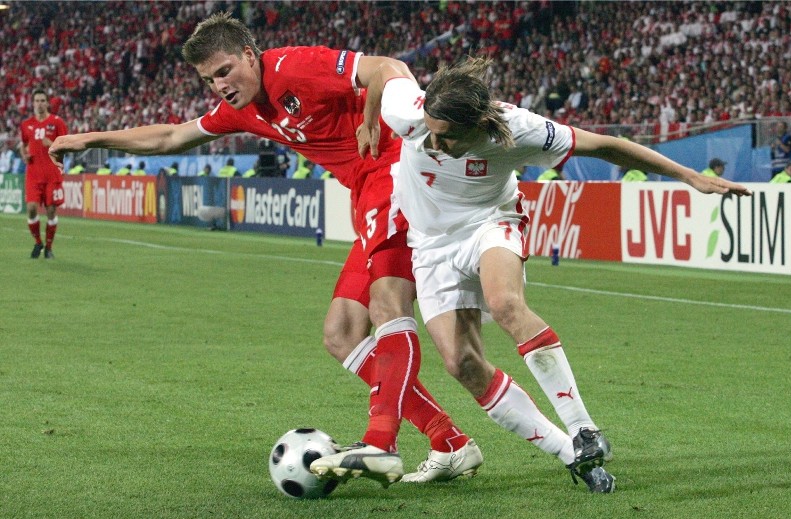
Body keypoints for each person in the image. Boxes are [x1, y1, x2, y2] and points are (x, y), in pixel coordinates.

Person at [50, 12, 481, 487]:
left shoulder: (295, 67)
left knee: (387, 305)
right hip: (366, 193)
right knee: (341, 333)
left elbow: (390, 67)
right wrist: (93, 139)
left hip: (398, 174)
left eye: (224, 71)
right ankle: (449, 440)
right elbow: (173, 135)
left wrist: (372, 120)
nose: (219, 86)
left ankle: (381, 442)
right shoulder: (241, 110)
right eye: (209, 79)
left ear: (250, 57)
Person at [338, 56, 751, 493]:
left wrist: (687, 176)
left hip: (488, 222)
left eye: (448, 137)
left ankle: (583, 427)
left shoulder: (521, 130)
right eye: (430, 131)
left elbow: (605, 145)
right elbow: (384, 72)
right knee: (461, 363)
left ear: (480, 123)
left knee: (506, 303)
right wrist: (368, 122)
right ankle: (572, 453)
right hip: (429, 244)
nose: (433, 144)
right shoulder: (411, 112)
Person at [19, 88, 67, 259]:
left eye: (42, 100)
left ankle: (48, 247)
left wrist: (52, 143)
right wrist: (24, 154)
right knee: (31, 209)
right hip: (33, 173)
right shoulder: (26, 125)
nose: (39, 104)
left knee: (51, 211)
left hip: (52, 174)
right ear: (33, 104)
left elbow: (66, 146)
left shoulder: (57, 122)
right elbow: (23, 145)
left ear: (47, 103)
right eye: (36, 101)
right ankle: (38, 242)